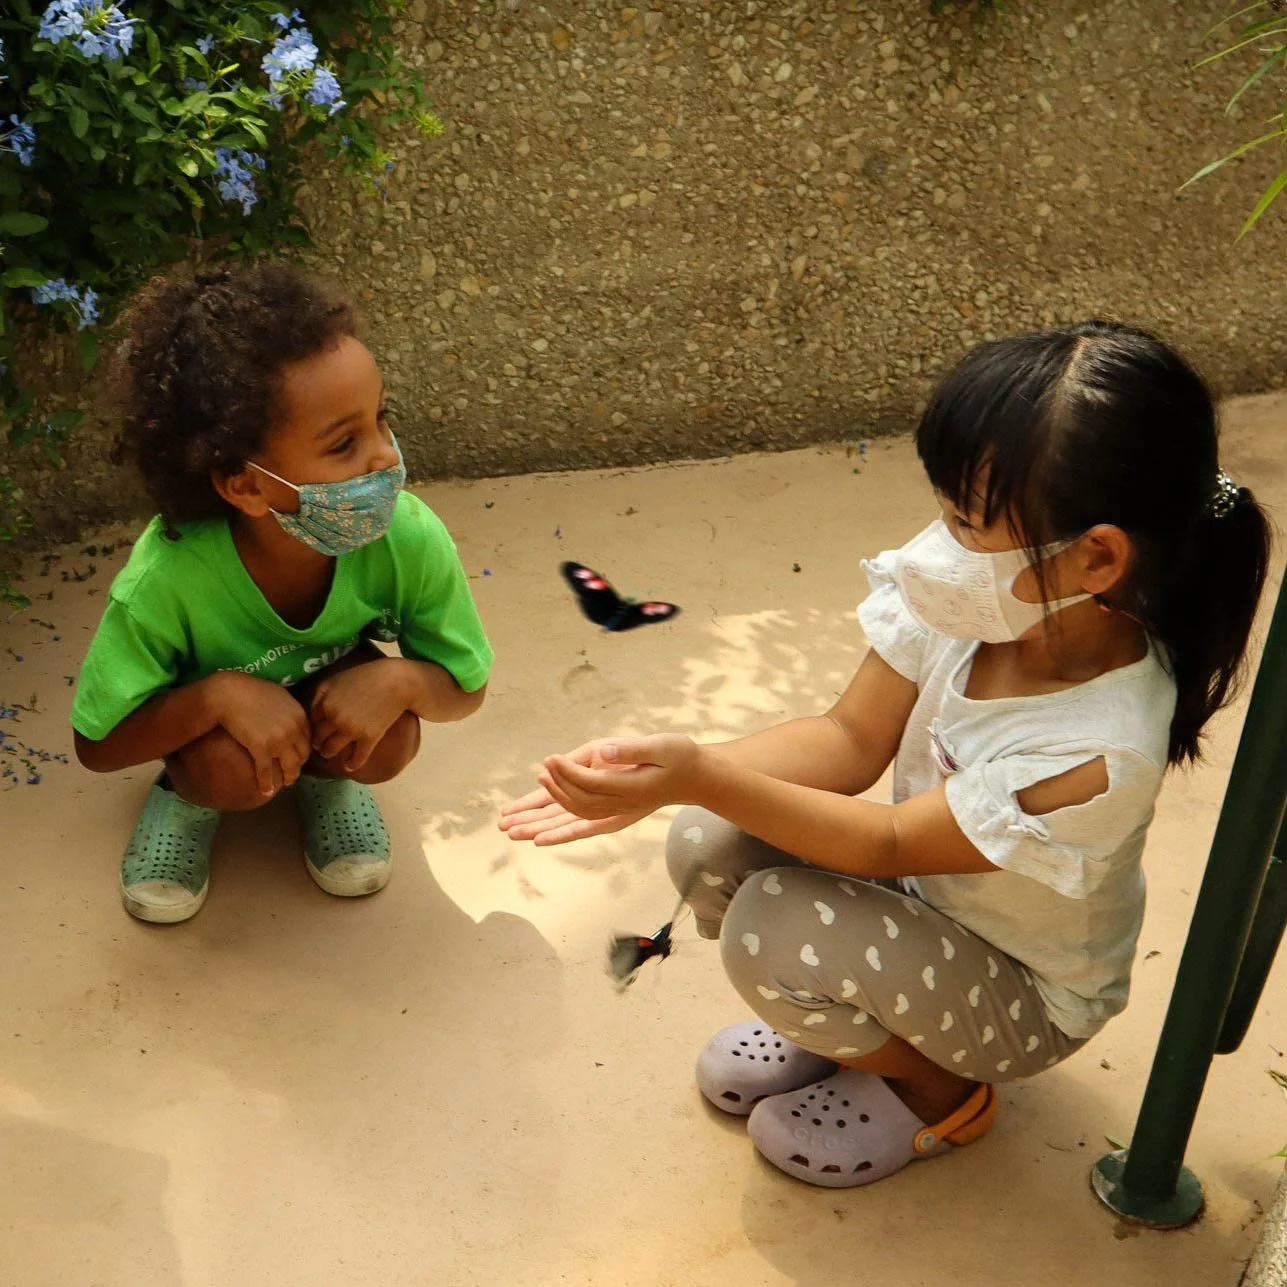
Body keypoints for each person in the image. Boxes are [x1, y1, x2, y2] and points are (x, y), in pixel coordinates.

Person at [500, 321, 1271, 1189]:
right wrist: (671, 777)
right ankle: (851, 1015)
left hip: (1020, 995)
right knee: (706, 839)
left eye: (963, 520)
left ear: (1095, 555)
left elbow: (891, 842)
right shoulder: (991, 593)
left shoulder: (1094, 747)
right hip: (921, 909)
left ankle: (939, 1088)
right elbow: (847, 738)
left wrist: (698, 770)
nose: (935, 544)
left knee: (771, 924)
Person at [72, 265, 492, 924]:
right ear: (244, 485)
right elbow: (97, 744)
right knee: (222, 772)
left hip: (327, 691)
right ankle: (182, 796)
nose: (385, 457)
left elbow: (465, 685)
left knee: (389, 740)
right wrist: (217, 695)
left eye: (381, 419)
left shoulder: (407, 537)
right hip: (212, 726)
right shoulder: (168, 576)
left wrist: (404, 681)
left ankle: (326, 784)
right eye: (344, 442)